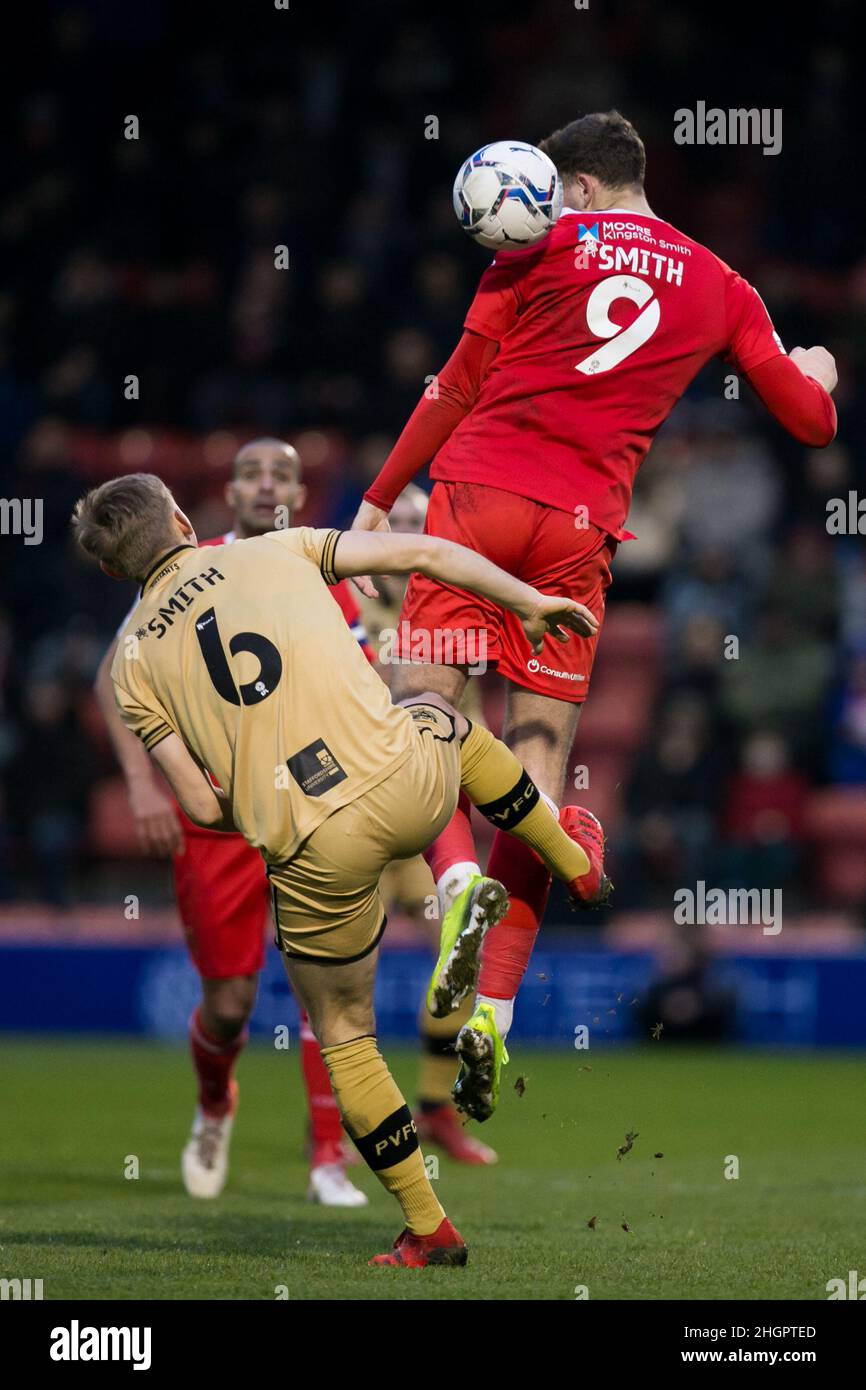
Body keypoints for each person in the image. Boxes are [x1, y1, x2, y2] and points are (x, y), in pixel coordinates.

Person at [351, 109, 838, 1117]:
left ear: (567, 186)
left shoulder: (533, 239)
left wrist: (373, 499)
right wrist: (821, 371)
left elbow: (452, 388)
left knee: (424, 718)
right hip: (578, 538)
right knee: (535, 769)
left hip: (475, 504)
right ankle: (492, 1017)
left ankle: (450, 899)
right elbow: (806, 419)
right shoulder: (719, 283)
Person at [73, 471, 603, 1267]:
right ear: (183, 517)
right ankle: (572, 861)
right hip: (405, 782)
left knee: (347, 1036)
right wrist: (525, 601)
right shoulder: (273, 549)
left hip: (312, 851)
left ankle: (429, 1229)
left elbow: (200, 805)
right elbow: (424, 548)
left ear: (114, 573)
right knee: (440, 716)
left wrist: (255, 791)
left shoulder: (132, 664)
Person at [94, 439, 368, 1206]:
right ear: (228, 488)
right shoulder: (179, 566)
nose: (266, 483)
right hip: (216, 819)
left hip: (309, 803)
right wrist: (144, 786)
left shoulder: (314, 566)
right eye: (251, 471)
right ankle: (215, 1103)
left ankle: (327, 1160)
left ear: (300, 488)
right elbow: (112, 676)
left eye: (282, 472)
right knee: (230, 1004)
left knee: (327, 985)